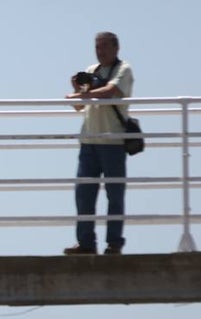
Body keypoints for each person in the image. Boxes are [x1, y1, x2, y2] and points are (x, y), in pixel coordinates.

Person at [64, 31, 134, 256]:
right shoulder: (92, 71)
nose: (100, 51)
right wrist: (78, 91)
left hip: (113, 140)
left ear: (116, 48)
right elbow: (80, 106)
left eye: (104, 46)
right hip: (89, 140)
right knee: (83, 193)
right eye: (97, 47)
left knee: (114, 194)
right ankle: (86, 243)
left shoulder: (123, 69)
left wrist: (81, 95)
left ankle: (114, 243)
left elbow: (110, 91)